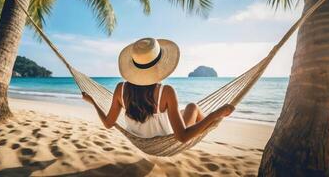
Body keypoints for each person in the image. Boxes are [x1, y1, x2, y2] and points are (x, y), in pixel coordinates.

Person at [82, 38, 234, 143]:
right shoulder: (166, 92)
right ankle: (206, 128)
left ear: (134, 66)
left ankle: (203, 126)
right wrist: (216, 114)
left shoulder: (120, 89)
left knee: (181, 112)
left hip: (139, 137)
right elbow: (182, 137)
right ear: (159, 66)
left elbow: (108, 123)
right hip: (165, 137)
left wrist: (93, 102)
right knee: (192, 107)